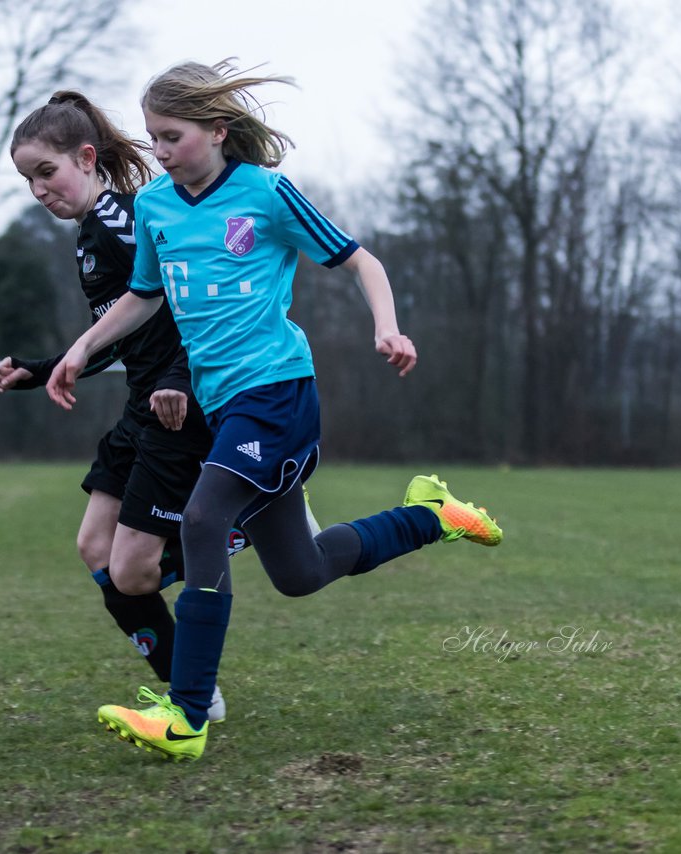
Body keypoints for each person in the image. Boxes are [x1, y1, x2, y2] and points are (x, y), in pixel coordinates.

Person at [45, 60, 502, 762]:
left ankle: (188, 714)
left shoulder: (265, 193)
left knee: (203, 519)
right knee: (302, 572)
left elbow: (362, 262)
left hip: (278, 393)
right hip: (225, 408)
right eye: (152, 138)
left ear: (217, 131)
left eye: (172, 136)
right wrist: (80, 349)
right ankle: (432, 515)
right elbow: (143, 298)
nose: (159, 152)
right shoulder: (156, 208)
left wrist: (387, 326)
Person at [0, 91, 317, 724]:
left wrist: (176, 376)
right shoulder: (94, 230)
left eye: (46, 172)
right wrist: (46, 368)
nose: (39, 190)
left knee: (134, 569)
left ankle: (248, 521)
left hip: (177, 405)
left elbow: (185, 306)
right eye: (28, 180)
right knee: (96, 549)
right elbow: (120, 329)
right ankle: (188, 686)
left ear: (86, 159)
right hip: (139, 407)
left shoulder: (124, 217)